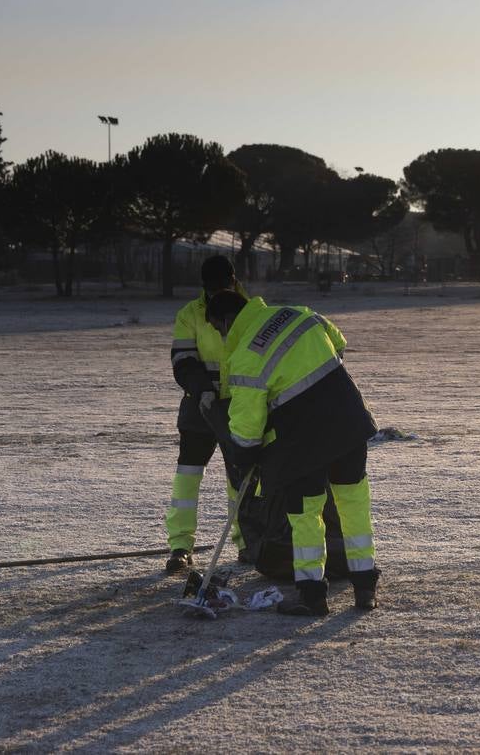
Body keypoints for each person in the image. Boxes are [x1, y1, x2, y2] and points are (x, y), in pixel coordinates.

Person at [205, 290, 380, 615]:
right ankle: (365, 587)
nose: (221, 336)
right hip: (348, 419)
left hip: (303, 441)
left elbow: (245, 429)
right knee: (353, 504)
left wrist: (244, 457)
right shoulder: (297, 312)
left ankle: (313, 595)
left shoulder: (246, 354)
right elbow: (338, 344)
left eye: (218, 329)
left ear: (227, 321)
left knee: (306, 515)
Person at [163, 255, 247, 573]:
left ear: (234, 280)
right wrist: (203, 389)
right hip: (200, 406)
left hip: (242, 407)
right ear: (204, 287)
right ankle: (180, 545)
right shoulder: (190, 315)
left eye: (221, 288)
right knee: (188, 474)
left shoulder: (253, 309)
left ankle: (245, 541)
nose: (216, 294)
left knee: (239, 478)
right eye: (211, 290)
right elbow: (183, 360)